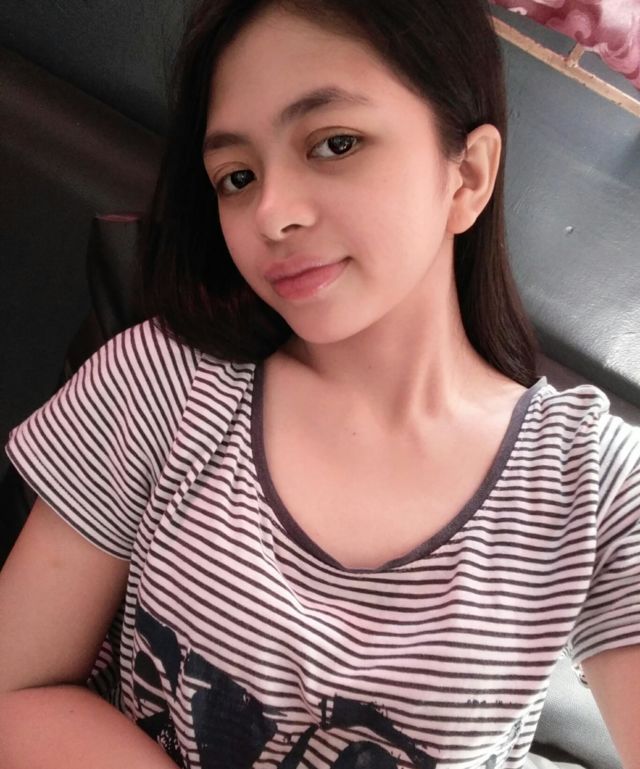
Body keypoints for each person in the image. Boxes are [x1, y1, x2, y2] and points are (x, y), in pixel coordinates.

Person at [0, 0, 638, 767]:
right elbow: (15, 688)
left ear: (467, 175)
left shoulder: (595, 484)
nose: (271, 213)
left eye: (335, 143)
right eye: (237, 176)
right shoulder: (161, 383)